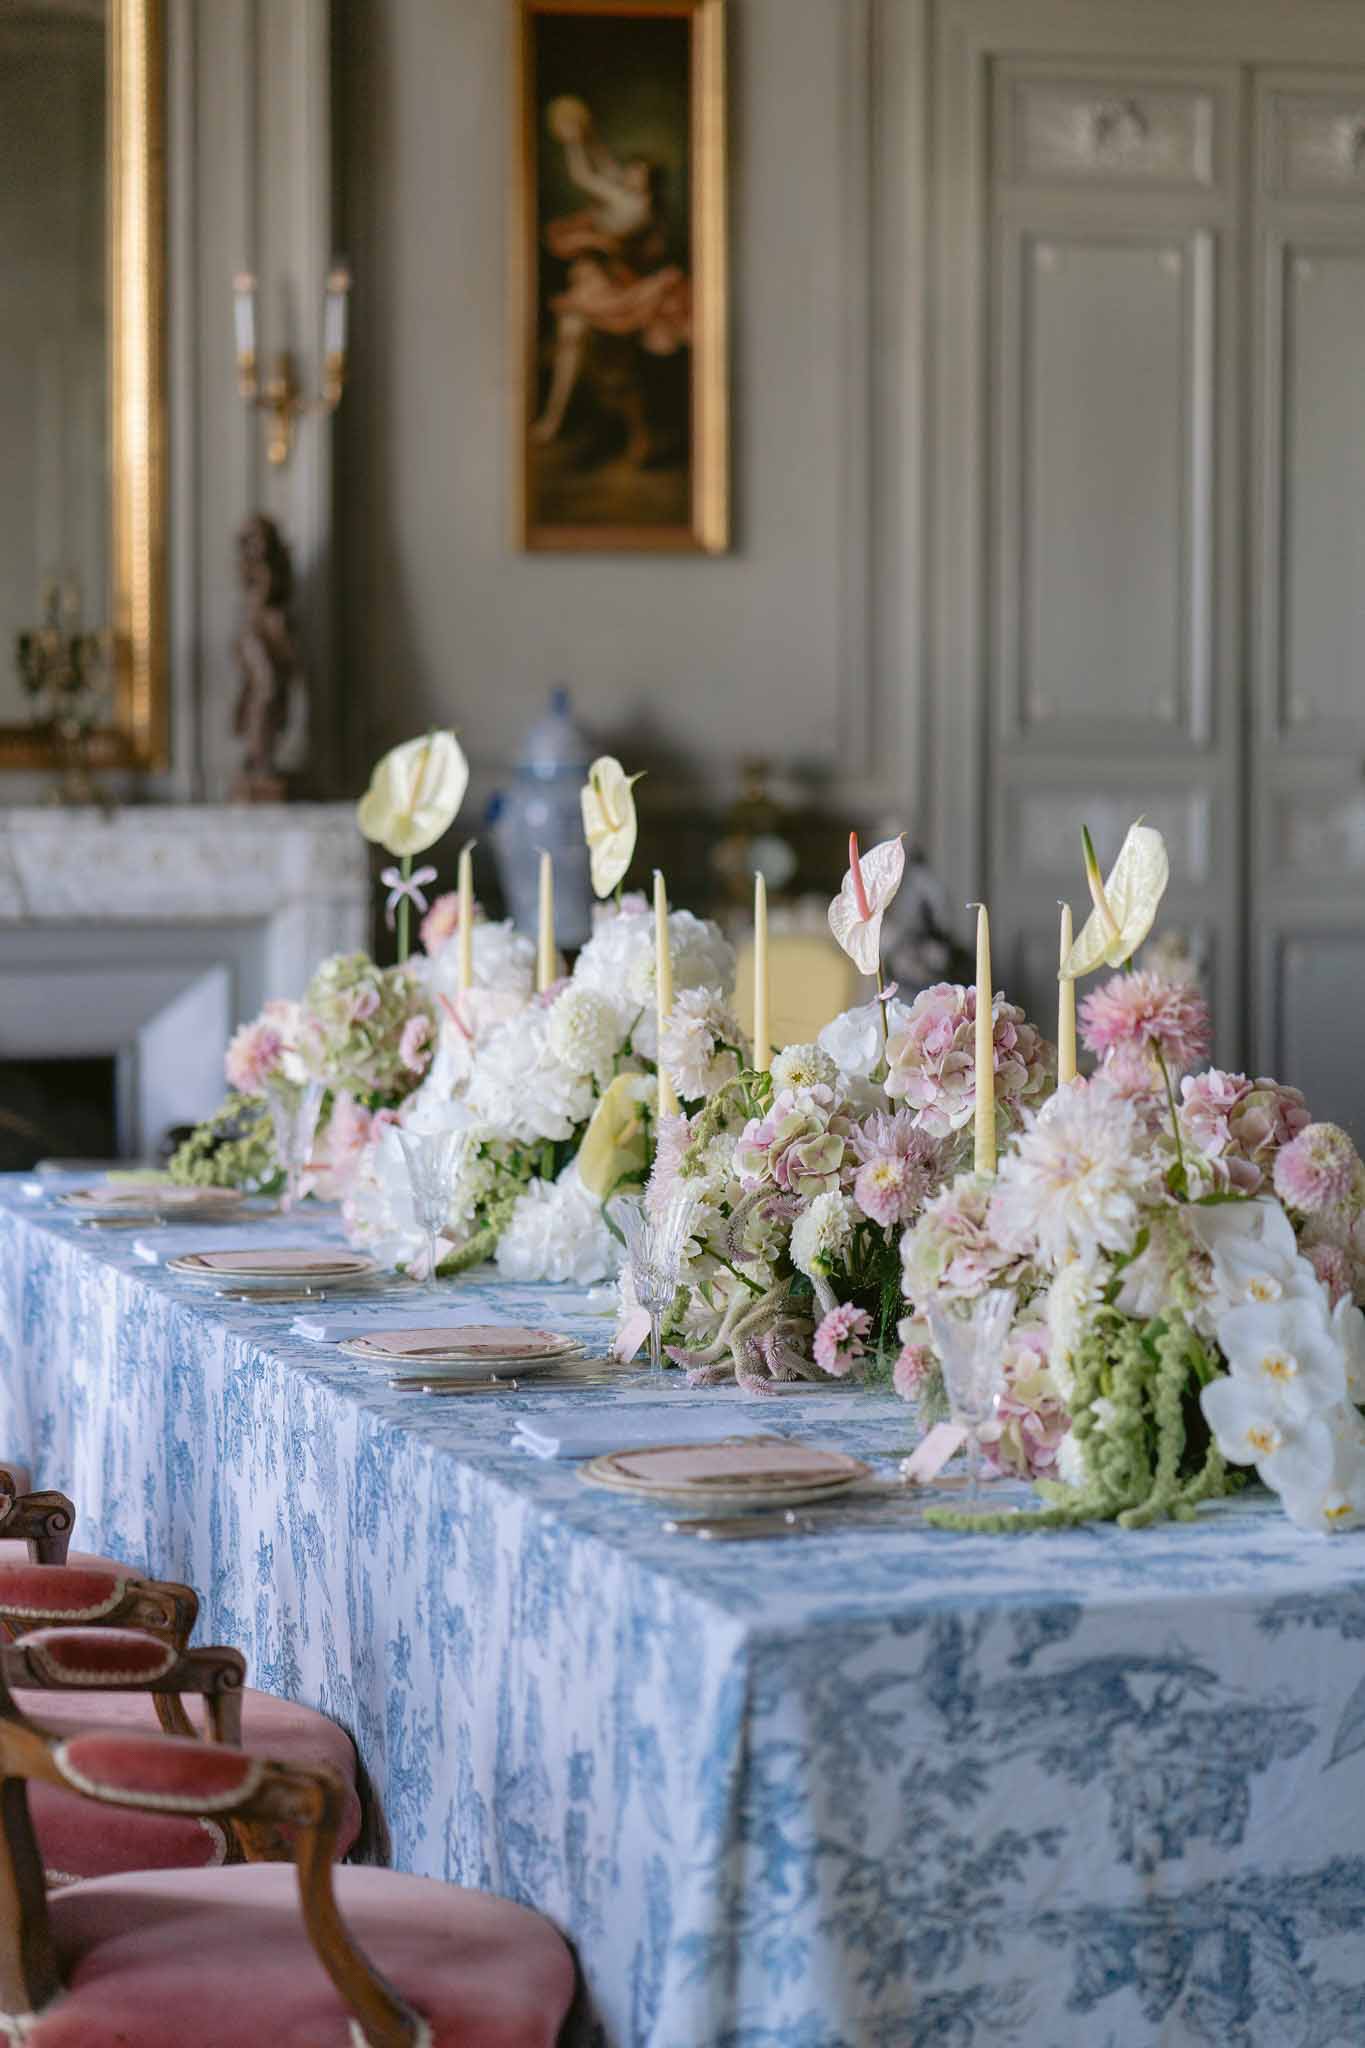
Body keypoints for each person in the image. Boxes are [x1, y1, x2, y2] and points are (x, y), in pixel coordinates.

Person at [532, 95, 690, 460]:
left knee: (580, 337)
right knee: (573, 336)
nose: (625, 172)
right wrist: (588, 133)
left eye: (633, 170)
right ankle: (556, 420)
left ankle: (557, 421)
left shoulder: (632, 205)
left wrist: (573, 141)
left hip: (615, 286)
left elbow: (584, 175)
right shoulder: (630, 195)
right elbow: (603, 164)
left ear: (645, 180)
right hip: (603, 279)